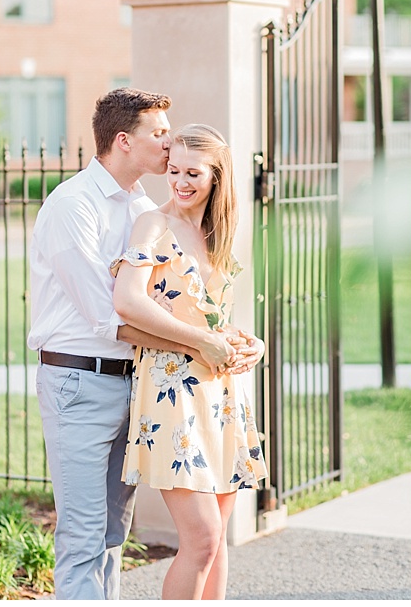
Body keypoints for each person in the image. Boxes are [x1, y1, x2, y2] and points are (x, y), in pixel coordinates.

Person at [27, 88, 261, 600]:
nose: (169, 142)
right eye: (159, 134)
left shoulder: (142, 205)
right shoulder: (73, 205)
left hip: (135, 380)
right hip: (79, 380)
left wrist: (231, 341)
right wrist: (201, 344)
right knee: (84, 536)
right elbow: (109, 315)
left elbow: (183, 303)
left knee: (113, 536)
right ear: (123, 141)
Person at [112, 123, 268, 600]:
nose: (179, 182)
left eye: (192, 173)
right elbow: (126, 302)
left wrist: (252, 344)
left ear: (217, 176)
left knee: (217, 542)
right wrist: (203, 340)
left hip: (221, 395)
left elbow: (218, 316)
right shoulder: (153, 224)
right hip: (170, 397)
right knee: (200, 539)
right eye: (174, 170)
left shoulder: (217, 233)